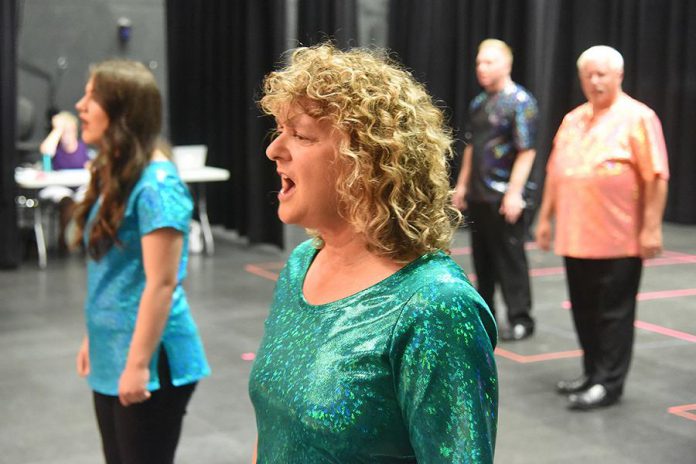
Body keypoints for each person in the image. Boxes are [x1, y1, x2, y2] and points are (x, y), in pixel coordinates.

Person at [248, 44, 498, 463]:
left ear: (364, 163)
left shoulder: (434, 305)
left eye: (301, 134)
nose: (274, 150)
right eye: (279, 130)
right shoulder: (300, 266)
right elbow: (275, 433)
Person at [72, 59, 210, 463]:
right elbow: (113, 271)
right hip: (113, 348)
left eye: (92, 96)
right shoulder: (118, 173)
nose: (81, 105)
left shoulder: (158, 186)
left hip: (150, 360)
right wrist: (93, 337)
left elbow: (161, 284)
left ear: (122, 112)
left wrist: (137, 366)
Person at [535, 45, 669, 411]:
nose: (594, 82)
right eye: (588, 75)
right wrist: (544, 218)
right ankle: (592, 371)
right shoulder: (573, 119)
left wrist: (651, 229)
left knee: (613, 314)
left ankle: (608, 383)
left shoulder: (639, 118)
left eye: (602, 75)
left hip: (619, 238)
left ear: (619, 76)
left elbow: (656, 176)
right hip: (575, 236)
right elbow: (555, 172)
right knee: (583, 310)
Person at [452, 39, 538, 341]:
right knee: (482, 260)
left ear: (506, 65)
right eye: (478, 62)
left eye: (488, 62)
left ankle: (520, 318)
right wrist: (462, 185)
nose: (481, 68)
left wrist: (514, 193)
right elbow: (472, 148)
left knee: (511, 260)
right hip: (479, 195)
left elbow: (526, 151)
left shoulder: (520, 102)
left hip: (505, 197)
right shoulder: (478, 104)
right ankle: (485, 313)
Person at [37, 111, 91, 251]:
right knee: (66, 199)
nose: (67, 135)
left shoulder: (82, 148)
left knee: (86, 199)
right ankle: (63, 236)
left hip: (79, 187)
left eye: (69, 131)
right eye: (64, 131)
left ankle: (81, 237)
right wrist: (58, 129)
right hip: (59, 187)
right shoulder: (56, 149)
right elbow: (46, 150)